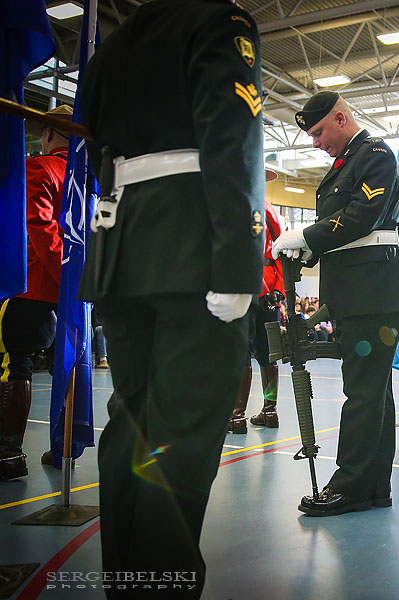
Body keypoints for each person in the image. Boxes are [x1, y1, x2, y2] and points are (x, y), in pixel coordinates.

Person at [77, 0, 264, 594]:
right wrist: (238, 260)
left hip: (123, 246)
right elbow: (229, 136)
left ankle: (128, 585)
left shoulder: (114, 40)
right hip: (194, 245)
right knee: (179, 440)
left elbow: (97, 140)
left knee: (130, 429)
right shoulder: (218, 20)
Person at [273, 91, 399, 517]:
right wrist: (308, 250)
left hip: (373, 294)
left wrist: (306, 237)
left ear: (340, 118)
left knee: (362, 392)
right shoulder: (345, 163)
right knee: (373, 394)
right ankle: (373, 487)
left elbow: (360, 218)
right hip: (358, 293)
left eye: (318, 132)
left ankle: (350, 485)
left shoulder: (375, 156)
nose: (315, 141)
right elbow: (345, 231)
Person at [0, 105, 71, 480]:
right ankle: (65, 445)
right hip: (67, 293)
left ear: (46, 135)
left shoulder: (39, 167)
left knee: (14, 363)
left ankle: (8, 453)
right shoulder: (84, 180)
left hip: (29, 286)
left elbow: (39, 230)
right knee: (66, 365)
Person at [228, 172, 287, 433]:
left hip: (243, 287)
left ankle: (237, 416)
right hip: (270, 290)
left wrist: (262, 290)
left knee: (241, 352)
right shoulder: (272, 210)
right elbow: (283, 253)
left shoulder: (236, 205)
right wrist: (279, 291)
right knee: (267, 354)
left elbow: (241, 251)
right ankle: (270, 411)